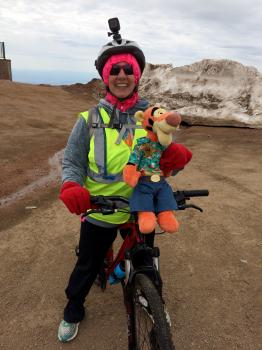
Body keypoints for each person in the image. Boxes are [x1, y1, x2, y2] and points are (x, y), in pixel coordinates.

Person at [57, 19, 191, 343]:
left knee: (148, 259)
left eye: (127, 69)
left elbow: (166, 153)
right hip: (99, 208)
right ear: (106, 77)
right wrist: (71, 185)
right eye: (114, 70)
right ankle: (73, 307)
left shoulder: (151, 115)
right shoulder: (89, 119)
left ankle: (152, 299)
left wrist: (173, 161)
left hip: (141, 205)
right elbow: (72, 161)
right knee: (87, 263)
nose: (121, 75)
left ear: (136, 75)